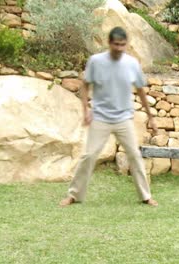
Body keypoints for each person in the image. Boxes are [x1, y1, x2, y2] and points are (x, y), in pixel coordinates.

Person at [60, 27, 158, 207]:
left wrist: (151, 117)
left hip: (124, 119)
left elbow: (141, 91)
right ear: (109, 43)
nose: (119, 48)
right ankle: (73, 195)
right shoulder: (96, 61)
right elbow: (85, 85)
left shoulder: (132, 63)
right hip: (100, 117)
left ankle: (146, 196)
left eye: (122, 45)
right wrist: (85, 110)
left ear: (126, 44)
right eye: (116, 45)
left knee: (135, 155)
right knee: (89, 155)